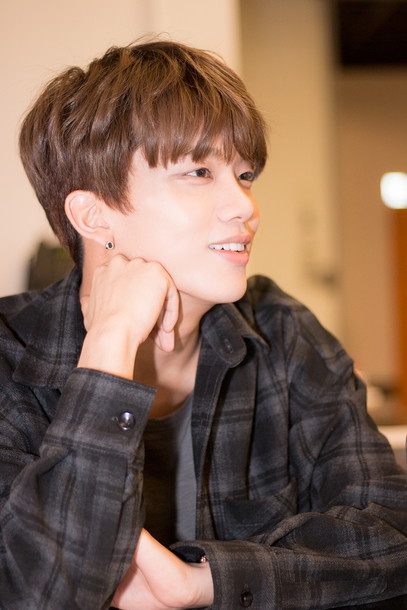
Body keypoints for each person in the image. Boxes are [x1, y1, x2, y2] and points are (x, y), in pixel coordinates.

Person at [0, 39, 406, 610]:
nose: (245, 206)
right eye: (199, 171)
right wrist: (112, 341)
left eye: (244, 175)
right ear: (94, 215)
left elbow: (391, 530)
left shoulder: (282, 332)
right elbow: (35, 591)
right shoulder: (7, 352)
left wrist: (202, 581)